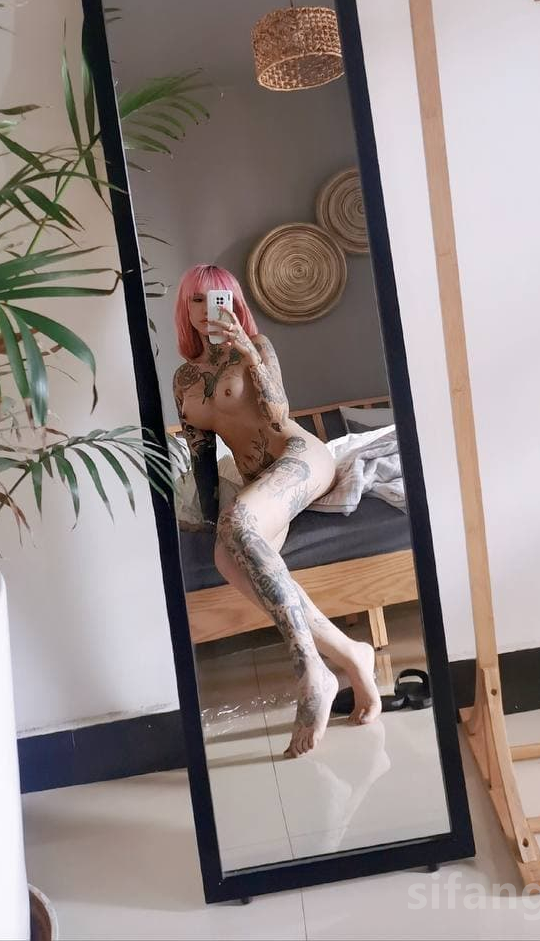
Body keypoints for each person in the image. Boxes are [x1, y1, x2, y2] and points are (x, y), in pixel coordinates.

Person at [172, 263, 382, 758]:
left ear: (234, 303)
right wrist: (208, 515)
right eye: (196, 300)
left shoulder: (257, 347)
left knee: (239, 522)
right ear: (185, 307)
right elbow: (202, 452)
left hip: (300, 457)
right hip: (257, 483)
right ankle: (353, 653)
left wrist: (248, 353)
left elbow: (279, 414)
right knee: (227, 556)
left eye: (217, 298)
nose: (206, 310)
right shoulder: (183, 378)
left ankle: (311, 668)